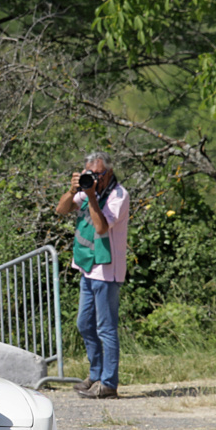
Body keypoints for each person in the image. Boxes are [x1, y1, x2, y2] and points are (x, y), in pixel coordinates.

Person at [55, 151, 130, 399]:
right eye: (90, 174)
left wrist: (91, 196)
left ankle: (108, 383)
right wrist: (72, 189)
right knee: (84, 324)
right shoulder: (86, 190)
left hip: (107, 270)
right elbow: (60, 210)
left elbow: (101, 227)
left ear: (108, 172)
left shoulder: (119, 196)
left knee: (106, 328)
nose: (94, 178)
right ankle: (95, 375)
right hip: (87, 266)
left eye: (98, 174)